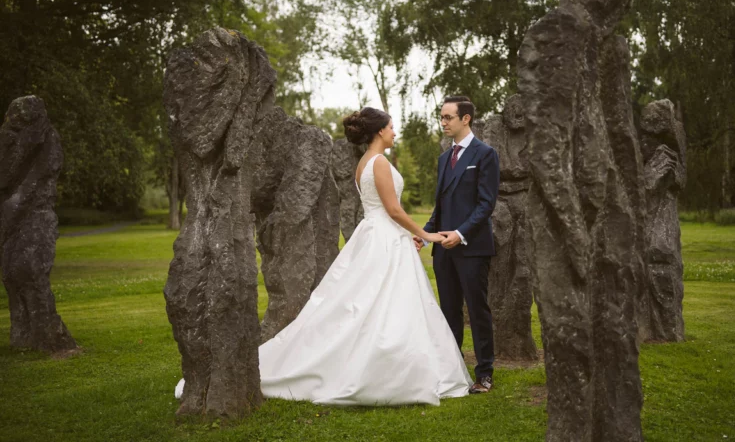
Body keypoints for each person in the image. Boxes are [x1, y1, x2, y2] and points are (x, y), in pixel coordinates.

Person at [176, 107, 472, 406]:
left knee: (377, 300)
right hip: (383, 237)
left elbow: (386, 210)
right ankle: (385, 368)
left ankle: (387, 360)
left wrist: (408, 235)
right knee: (384, 300)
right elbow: (393, 209)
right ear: (380, 130)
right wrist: (426, 234)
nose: (395, 132)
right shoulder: (378, 162)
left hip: (380, 233)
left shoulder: (364, 162)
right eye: (392, 127)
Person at [415, 96, 500, 394]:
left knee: (477, 311)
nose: (443, 122)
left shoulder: (485, 154)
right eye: (441, 117)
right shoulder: (444, 159)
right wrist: (424, 233)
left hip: (472, 247)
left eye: (448, 117)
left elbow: (486, 204)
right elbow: (440, 207)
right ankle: (453, 371)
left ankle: (485, 373)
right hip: (443, 250)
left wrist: (460, 233)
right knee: (449, 312)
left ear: (466, 119)